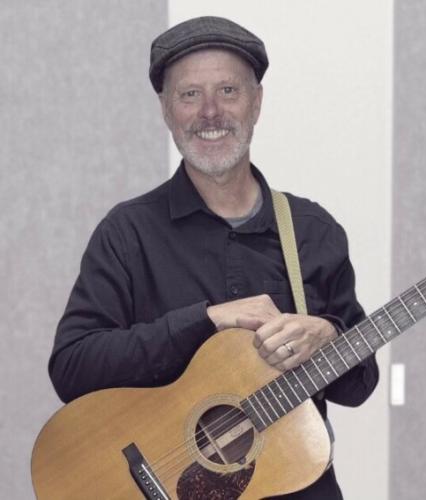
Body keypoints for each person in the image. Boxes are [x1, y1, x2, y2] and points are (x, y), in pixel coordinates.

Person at [48, 16, 378, 499]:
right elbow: (72, 368)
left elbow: (359, 387)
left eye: (227, 91)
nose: (210, 112)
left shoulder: (313, 231)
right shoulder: (127, 232)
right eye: (189, 95)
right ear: (166, 110)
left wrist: (329, 337)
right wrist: (206, 321)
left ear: (256, 103)